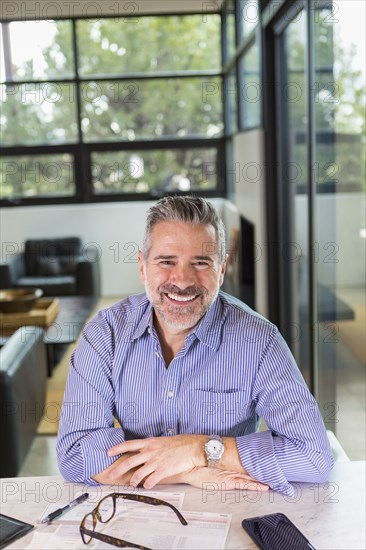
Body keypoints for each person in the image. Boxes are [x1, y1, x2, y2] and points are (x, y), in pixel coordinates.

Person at [57, 196, 333, 497]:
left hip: (226, 503)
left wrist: (199, 449)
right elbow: (75, 453)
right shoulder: (105, 334)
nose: (182, 280)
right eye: (166, 261)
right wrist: (190, 473)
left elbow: (313, 456)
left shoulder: (259, 340)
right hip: (135, 506)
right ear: (142, 266)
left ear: (222, 268)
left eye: (201, 263)